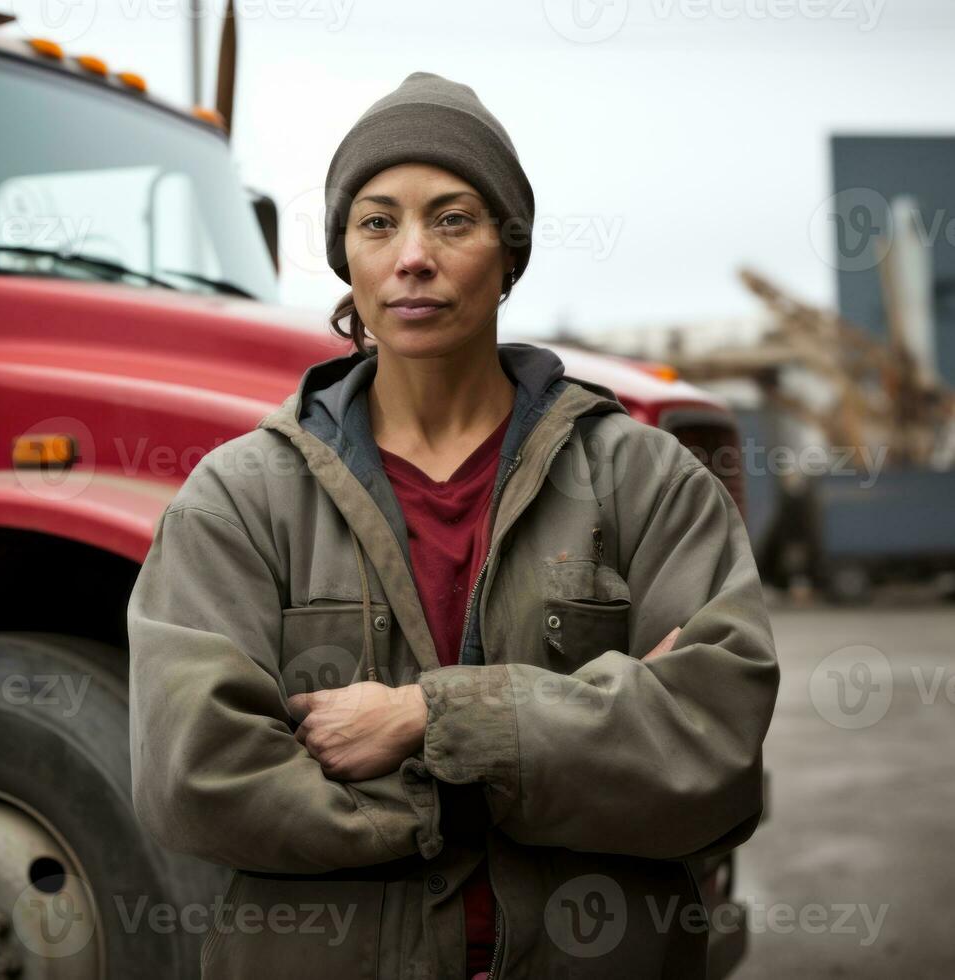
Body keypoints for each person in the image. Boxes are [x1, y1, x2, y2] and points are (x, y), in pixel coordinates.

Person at [127, 71, 779, 979]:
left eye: (453, 219)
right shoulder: (238, 500)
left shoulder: (644, 482)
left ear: (508, 253)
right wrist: (548, 751)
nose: (413, 256)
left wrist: (425, 718)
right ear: (345, 257)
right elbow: (195, 779)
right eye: (377, 221)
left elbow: (712, 760)